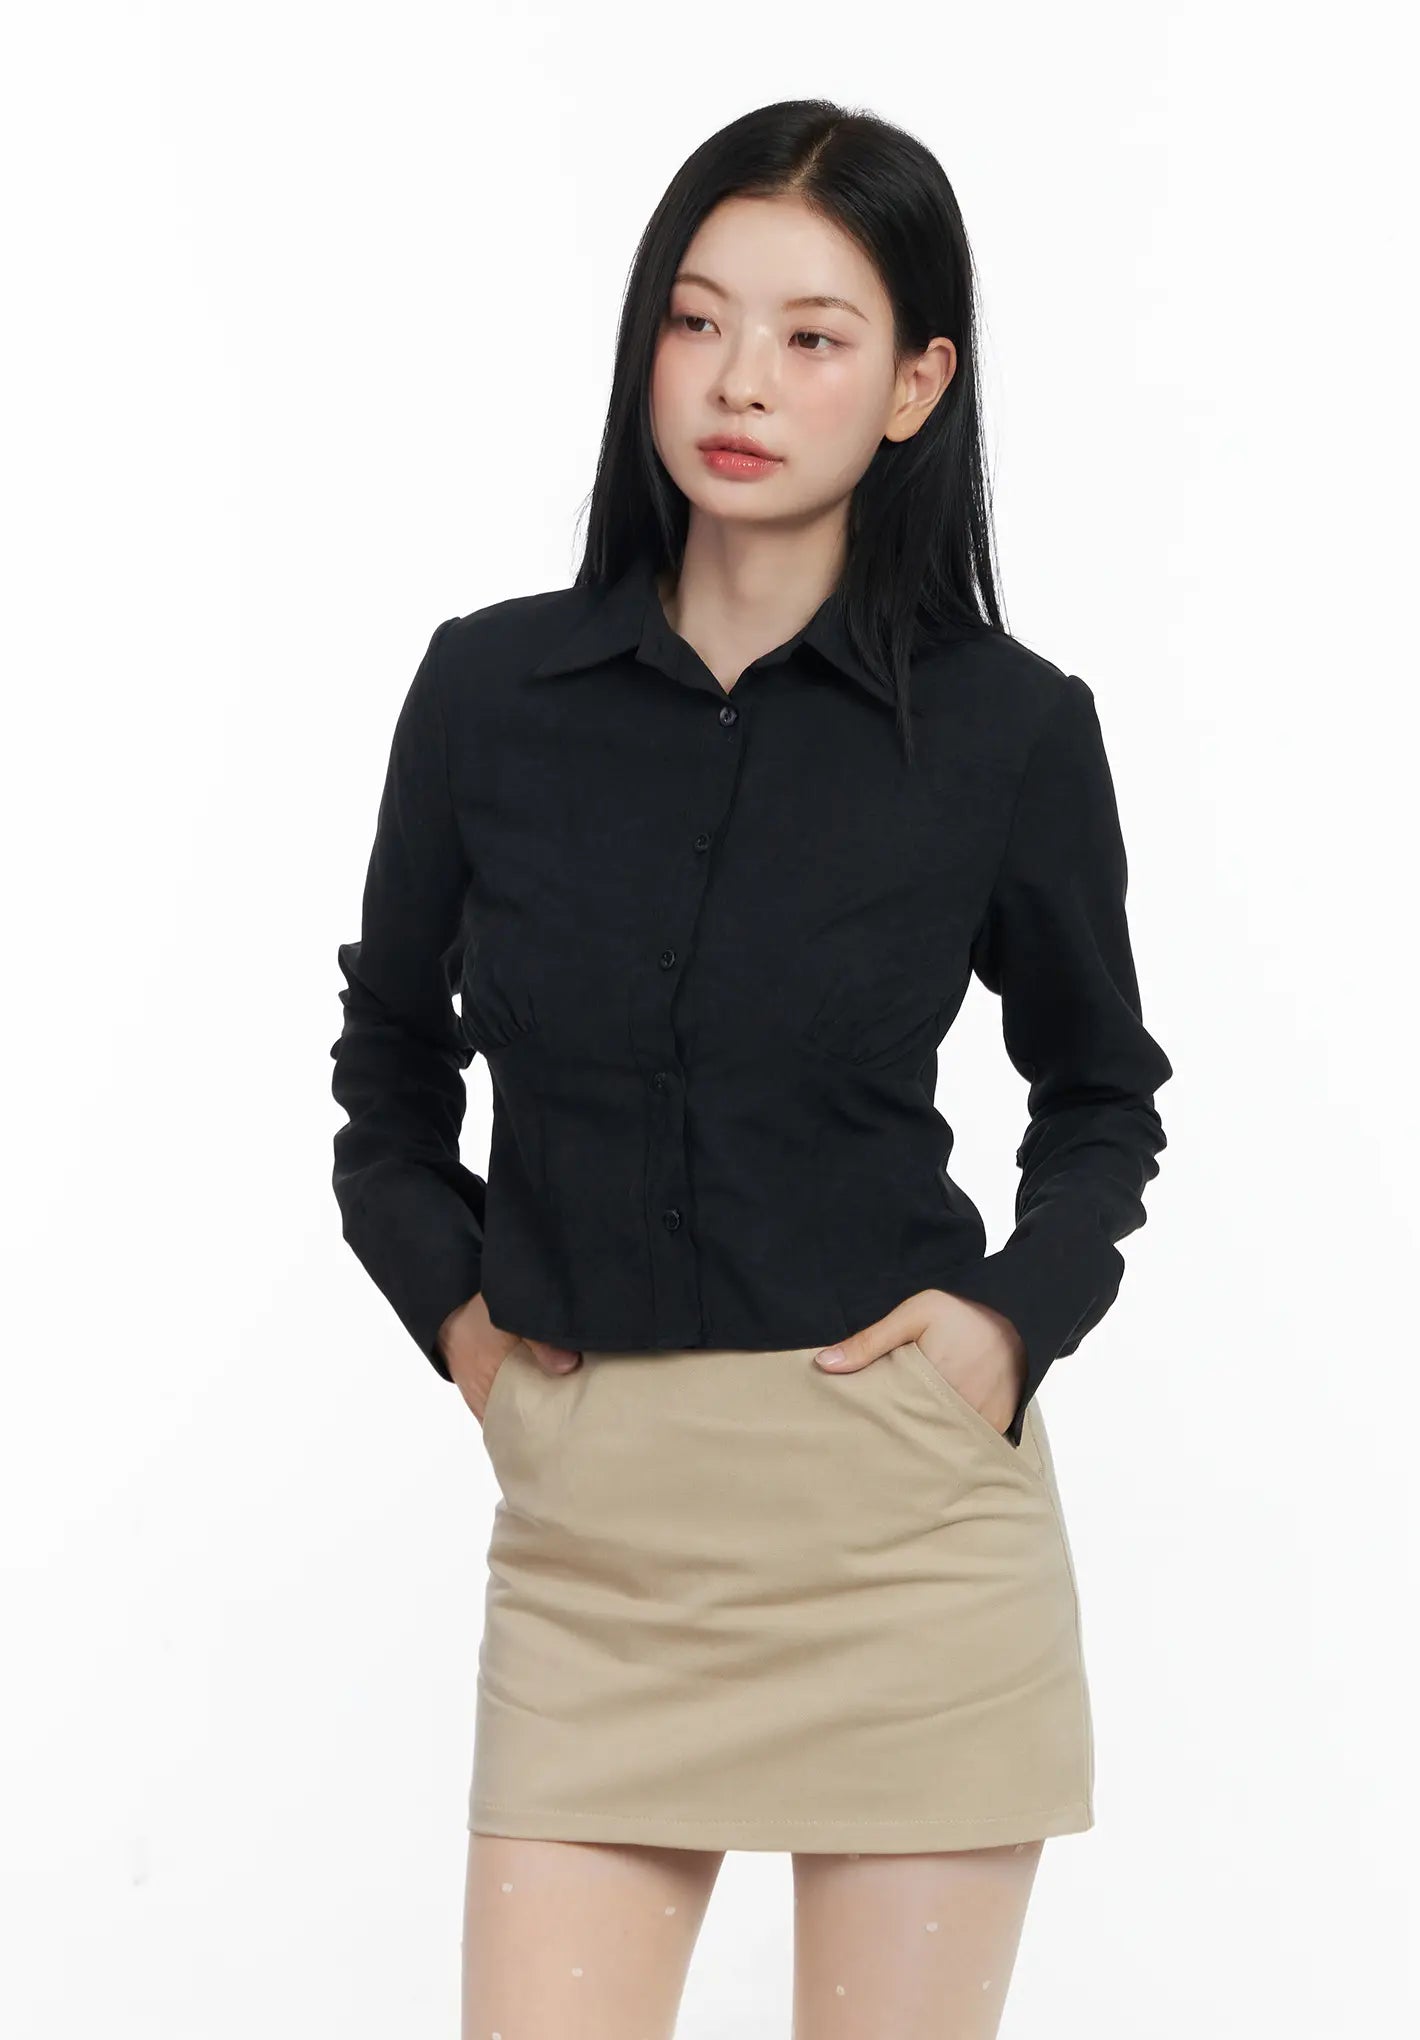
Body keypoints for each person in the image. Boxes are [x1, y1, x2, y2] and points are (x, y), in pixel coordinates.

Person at [329, 98, 1172, 2040]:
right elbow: (386, 1063)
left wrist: (1010, 1326)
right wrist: (462, 1322)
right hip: (591, 1545)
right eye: (698, 321)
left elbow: (1101, 1094)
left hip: (904, 1533)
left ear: (915, 385)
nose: (740, 382)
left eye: (813, 336)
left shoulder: (1009, 733)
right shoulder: (489, 694)